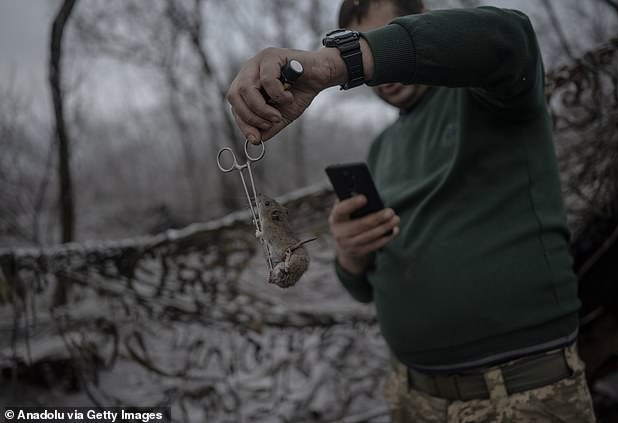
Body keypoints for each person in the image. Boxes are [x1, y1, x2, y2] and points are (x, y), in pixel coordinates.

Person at [226, 0, 596, 421]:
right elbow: (364, 287)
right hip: (413, 394)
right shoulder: (383, 149)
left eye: (381, 41)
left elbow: (508, 38)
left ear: (423, 28)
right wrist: (351, 255)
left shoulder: (491, 94)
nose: (380, 69)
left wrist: (339, 61)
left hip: (522, 390)